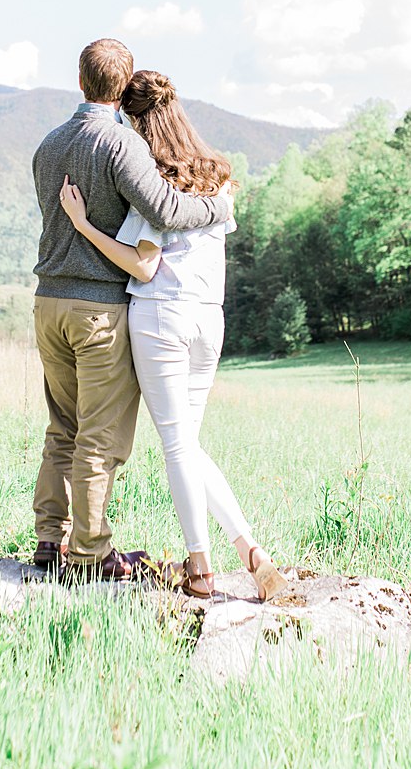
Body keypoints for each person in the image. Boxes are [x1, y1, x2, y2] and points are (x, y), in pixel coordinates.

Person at [59, 68, 288, 602]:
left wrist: (84, 226)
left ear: (135, 122)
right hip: (211, 319)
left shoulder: (154, 181)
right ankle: (253, 555)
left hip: (163, 317)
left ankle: (202, 568)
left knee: (177, 445)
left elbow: (143, 266)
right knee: (190, 444)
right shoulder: (217, 176)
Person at [31, 39, 232, 582]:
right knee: (100, 435)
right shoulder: (121, 145)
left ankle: (50, 539)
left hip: (47, 302)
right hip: (97, 310)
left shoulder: (48, 145)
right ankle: (91, 555)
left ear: (79, 81)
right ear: (121, 90)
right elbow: (165, 209)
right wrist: (218, 206)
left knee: (62, 427)